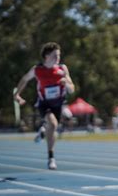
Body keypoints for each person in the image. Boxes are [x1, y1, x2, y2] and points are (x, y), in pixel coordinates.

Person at [14, 42, 75, 170]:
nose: (58, 58)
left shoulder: (62, 69)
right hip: (44, 103)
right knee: (52, 124)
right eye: (55, 56)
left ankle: (43, 130)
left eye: (59, 56)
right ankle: (51, 158)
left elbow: (72, 89)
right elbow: (25, 79)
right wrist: (17, 94)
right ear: (46, 56)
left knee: (52, 126)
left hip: (58, 104)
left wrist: (67, 84)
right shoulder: (37, 69)